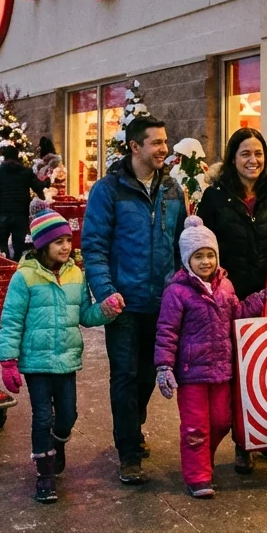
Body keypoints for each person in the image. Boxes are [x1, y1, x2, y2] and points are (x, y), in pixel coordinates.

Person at [195, 127, 267, 473]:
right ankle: (243, 442)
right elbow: (201, 241)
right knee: (238, 373)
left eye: (258, 153)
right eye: (245, 153)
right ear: (232, 158)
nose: (253, 160)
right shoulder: (215, 197)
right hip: (232, 298)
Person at [81, 114, 187, 485]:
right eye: (156, 143)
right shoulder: (108, 190)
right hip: (123, 304)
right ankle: (128, 451)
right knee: (125, 376)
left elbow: (181, 244)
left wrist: (181, 285)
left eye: (165, 142)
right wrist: (106, 291)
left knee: (147, 375)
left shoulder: (173, 190)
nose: (164, 149)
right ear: (135, 146)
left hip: (163, 303)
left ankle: (133, 428)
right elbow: (93, 246)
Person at [0, 209, 125, 503]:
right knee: (42, 416)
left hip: (66, 360)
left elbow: (84, 314)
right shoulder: (25, 278)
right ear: (42, 245)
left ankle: (57, 444)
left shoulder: (76, 274)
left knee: (67, 416)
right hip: (36, 361)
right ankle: (45, 475)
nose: (66, 246)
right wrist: (8, 361)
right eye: (58, 241)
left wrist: (105, 310)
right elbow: (11, 320)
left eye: (68, 239)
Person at [154, 216, 267, 498]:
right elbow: (166, 331)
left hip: (221, 371)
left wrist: (258, 301)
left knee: (221, 421)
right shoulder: (177, 292)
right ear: (186, 260)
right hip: (191, 373)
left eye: (209, 255)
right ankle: (198, 477)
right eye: (198, 256)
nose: (205, 262)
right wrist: (164, 366)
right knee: (196, 426)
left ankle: (201, 459)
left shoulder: (226, 288)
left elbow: (236, 315)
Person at [0, 145, 47, 259]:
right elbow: (38, 187)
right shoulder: (26, 172)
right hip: (21, 216)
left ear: (4, 157)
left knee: (3, 250)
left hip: (4, 216)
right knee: (19, 249)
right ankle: (16, 269)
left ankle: (5, 269)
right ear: (17, 156)